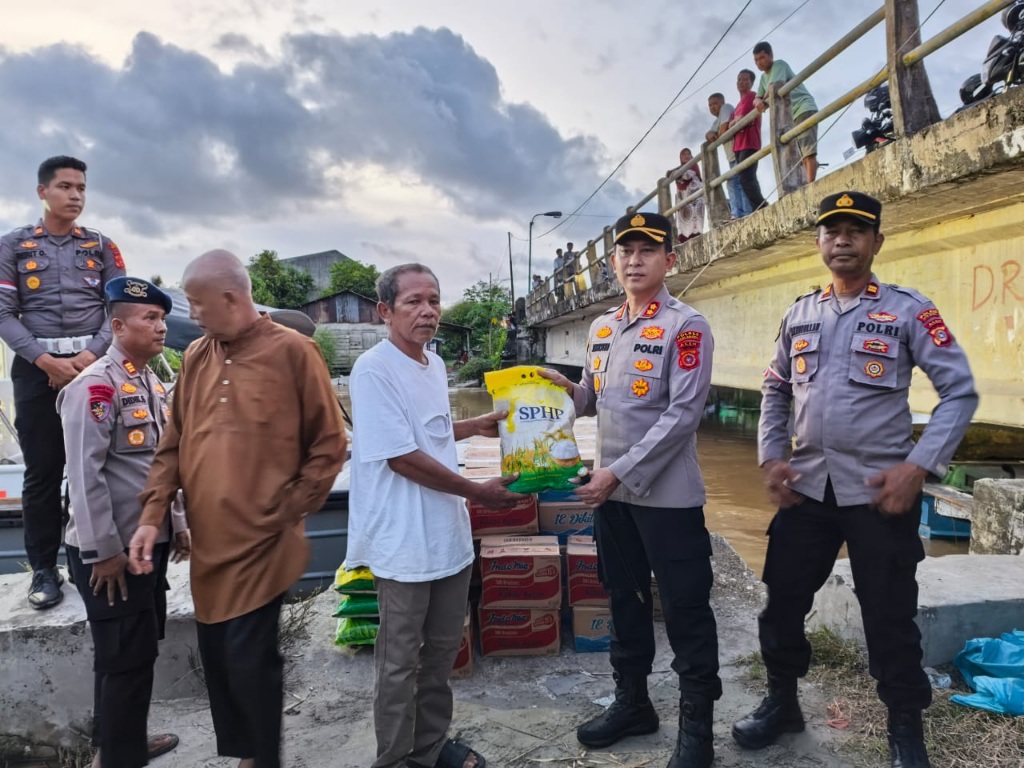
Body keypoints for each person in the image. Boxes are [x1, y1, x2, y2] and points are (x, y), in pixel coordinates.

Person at [733, 192, 978, 768]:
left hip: (879, 495)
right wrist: (772, 457)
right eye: (831, 230)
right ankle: (782, 702)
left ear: (876, 242)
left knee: (890, 615)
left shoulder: (909, 311)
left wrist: (918, 468)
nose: (842, 239)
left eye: (856, 230)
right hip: (807, 489)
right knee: (782, 605)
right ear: (819, 242)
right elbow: (773, 390)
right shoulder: (799, 314)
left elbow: (959, 391)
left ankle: (904, 729)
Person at [128, 250, 347, 768]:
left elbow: (329, 446)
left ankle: (261, 760)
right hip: (209, 545)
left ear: (230, 298)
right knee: (222, 662)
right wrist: (152, 515)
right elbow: (173, 444)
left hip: (264, 543)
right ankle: (248, 753)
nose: (194, 315)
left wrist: (284, 511)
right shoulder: (200, 356)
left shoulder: (293, 352)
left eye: (200, 305)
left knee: (251, 661)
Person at [541, 212, 720, 768]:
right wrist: (561, 392)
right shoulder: (602, 328)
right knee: (624, 599)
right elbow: (595, 400)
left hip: (666, 499)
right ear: (614, 262)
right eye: (627, 251)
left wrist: (616, 472)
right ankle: (633, 703)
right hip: (612, 497)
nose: (635, 259)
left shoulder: (686, 327)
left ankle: (698, 730)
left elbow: (683, 415)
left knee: (687, 609)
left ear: (670, 259)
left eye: (649, 249)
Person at [347, 263, 528, 768]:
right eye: (413, 302)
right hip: (403, 543)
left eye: (434, 300)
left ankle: (427, 749)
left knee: (442, 653)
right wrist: (478, 492)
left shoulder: (434, 364)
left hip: (446, 536)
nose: (428, 311)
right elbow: (401, 456)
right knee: (399, 663)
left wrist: (481, 425)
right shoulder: (373, 369)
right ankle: (394, 759)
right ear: (385, 311)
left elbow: (434, 430)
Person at [59, 277, 185, 768]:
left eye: (160, 318)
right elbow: (83, 477)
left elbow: (158, 465)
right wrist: (103, 551)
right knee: (125, 659)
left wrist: (178, 522)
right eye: (149, 319)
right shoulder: (93, 388)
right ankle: (117, 756)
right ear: (117, 325)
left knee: (130, 653)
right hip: (112, 551)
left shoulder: (148, 380)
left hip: (145, 545)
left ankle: (117, 739)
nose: (159, 327)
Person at [0, 155, 126, 609]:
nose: (76, 196)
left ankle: (92, 557)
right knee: (42, 473)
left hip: (95, 368)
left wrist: (92, 355)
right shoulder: (13, 246)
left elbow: (119, 310)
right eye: (66, 187)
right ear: (42, 192)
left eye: (81, 188)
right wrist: (43, 359)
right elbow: (3, 313)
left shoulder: (101, 247)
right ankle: (43, 571)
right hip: (37, 371)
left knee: (95, 465)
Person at [753, 41, 819, 184]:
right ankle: (809, 179)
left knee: (808, 151)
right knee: (799, 153)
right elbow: (758, 96)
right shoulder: (763, 78)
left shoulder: (779, 65)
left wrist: (762, 100)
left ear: (771, 55)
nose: (759, 62)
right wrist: (758, 100)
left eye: (762, 58)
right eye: (756, 60)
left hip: (803, 107)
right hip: (791, 117)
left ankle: (810, 185)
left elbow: (774, 89)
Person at [705, 92, 752, 219]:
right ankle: (739, 213)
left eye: (715, 103)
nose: (712, 107)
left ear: (722, 102)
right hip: (732, 156)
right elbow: (709, 134)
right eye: (710, 105)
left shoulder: (726, 108)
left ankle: (743, 213)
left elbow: (723, 130)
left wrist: (718, 134)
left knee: (739, 181)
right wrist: (711, 135)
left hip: (739, 151)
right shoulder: (717, 120)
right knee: (735, 182)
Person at [728, 70, 767, 213]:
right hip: (738, 145)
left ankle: (761, 206)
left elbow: (741, 121)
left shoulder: (752, 96)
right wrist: (735, 122)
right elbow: (731, 125)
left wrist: (737, 122)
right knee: (744, 178)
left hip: (750, 142)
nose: (741, 82)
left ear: (751, 82)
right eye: (739, 80)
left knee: (746, 177)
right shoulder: (737, 105)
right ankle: (756, 207)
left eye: (745, 80)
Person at [668, 148, 705, 243]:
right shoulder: (680, 168)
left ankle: (696, 237)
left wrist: (676, 174)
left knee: (695, 220)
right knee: (683, 220)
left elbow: (686, 176)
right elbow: (668, 173)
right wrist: (674, 173)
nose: (686, 156)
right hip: (683, 198)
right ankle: (684, 239)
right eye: (683, 154)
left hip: (695, 199)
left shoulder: (693, 165)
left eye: (688, 154)